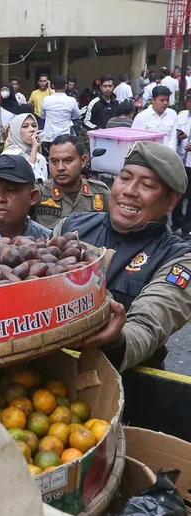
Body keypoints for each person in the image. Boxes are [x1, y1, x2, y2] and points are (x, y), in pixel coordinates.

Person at [55, 142, 191, 372]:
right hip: (52, 370)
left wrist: (117, 339)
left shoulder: (178, 259)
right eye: (125, 178)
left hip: (127, 379)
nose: (129, 191)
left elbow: (148, 325)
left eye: (147, 185)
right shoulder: (72, 227)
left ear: (171, 201)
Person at [35, 135, 110, 229]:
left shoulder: (101, 193)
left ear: (83, 161)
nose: (60, 168)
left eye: (67, 161)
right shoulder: (39, 193)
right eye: (54, 161)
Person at [40, 75, 80, 155]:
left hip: (49, 137)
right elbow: (77, 116)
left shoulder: (46, 100)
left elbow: (42, 116)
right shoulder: (71, 100)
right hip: (64, 137)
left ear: (53, 86)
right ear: (66, 86)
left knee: (49, 158)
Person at [131, 85, 178, 150]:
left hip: (168, 153)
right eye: (162, 100)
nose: (165, 103)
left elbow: (173, 138)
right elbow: (135, 141)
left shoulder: (172, 114)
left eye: (167, 100)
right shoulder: (141, 117)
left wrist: (170, 153)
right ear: (153, 100)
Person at [5, 113, 48, 182]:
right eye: (25, 126)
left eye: (34, 126)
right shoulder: (9, 156)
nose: (32, 129)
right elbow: (24, 179)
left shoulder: (40, 158)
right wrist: (34, 149)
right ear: (16, 131)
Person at [172, 89, 191, 236]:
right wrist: (180, 137)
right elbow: (173, 135)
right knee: (177, 193)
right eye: (189, 100)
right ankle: (176, 223)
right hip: (180, 161)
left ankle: (187, 227)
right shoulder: (181, 116)